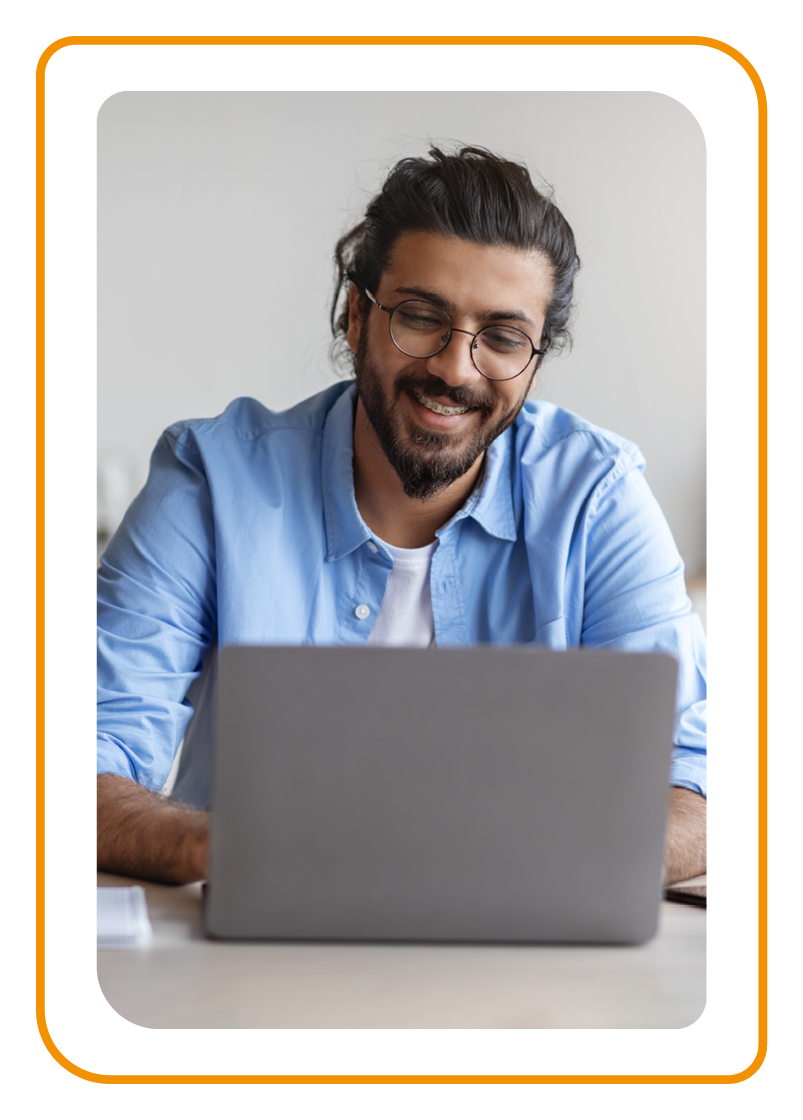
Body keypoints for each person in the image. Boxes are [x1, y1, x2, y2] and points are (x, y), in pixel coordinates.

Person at [97, 146, 707, 887]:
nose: (455, 368)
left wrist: (518, 872)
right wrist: (230, 848)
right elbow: (77, 763)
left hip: (527, 974)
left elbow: (694, 784)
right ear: (355, 316)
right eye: (421, 318)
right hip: (248, 960)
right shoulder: (210, 479)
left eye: (503, 338)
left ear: (535, 356)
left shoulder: (597, 496)